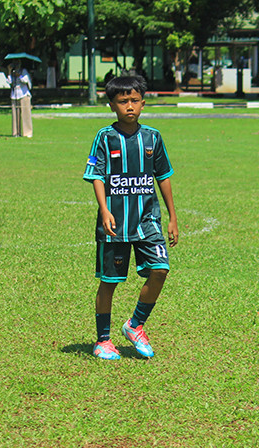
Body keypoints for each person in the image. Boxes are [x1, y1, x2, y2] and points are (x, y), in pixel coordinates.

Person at [82, 75, 178, 360]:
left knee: (160, 269)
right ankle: (102, 340)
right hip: (116, 223)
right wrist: (105, 210)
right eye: (123, 101)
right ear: (112, 105)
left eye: (134, 101)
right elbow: (97, 175)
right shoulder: (105, 137)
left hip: (148, 219)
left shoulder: (153, 137)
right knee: (109, 281)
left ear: (143, 103)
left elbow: (163, 176)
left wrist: (173, 216)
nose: (129, 107)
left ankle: (135, 325)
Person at [7, 61, 32, 138]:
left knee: (25, 114)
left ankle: (27, 132)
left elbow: (26, 80)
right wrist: (9, 71)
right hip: (15, 94)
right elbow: (9, 82)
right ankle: (16, 132)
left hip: (23, 93)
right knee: (15, 114)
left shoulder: (23, 71)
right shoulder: (12, 72)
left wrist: (20, 76)